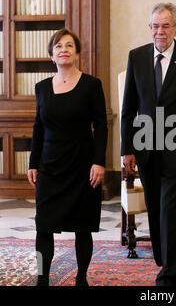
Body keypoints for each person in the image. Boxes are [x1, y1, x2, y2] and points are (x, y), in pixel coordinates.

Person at [121, 3, 176, 286]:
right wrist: (127, 148)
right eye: (155, 26)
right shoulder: (136, 58)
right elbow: (128, 108)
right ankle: (162, 256)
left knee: (170, 211)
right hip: (145, 148)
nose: (160, 31)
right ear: (150, 28)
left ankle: (169, 273)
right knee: (154, 207)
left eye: (166, 26)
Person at [28, 29, 108, 286]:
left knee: (82, 227)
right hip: (50, 167)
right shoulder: (41, 88)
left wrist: (99, 162)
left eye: (69, 45)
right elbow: (38, 127)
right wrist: (33, 163)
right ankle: (42, 278)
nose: (64, 49)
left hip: (82, 167)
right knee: (43, 227)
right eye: (58, 46)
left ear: (77, 52)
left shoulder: (91, 85)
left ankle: (81, 277)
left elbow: (101, 126)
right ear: (51, 54)